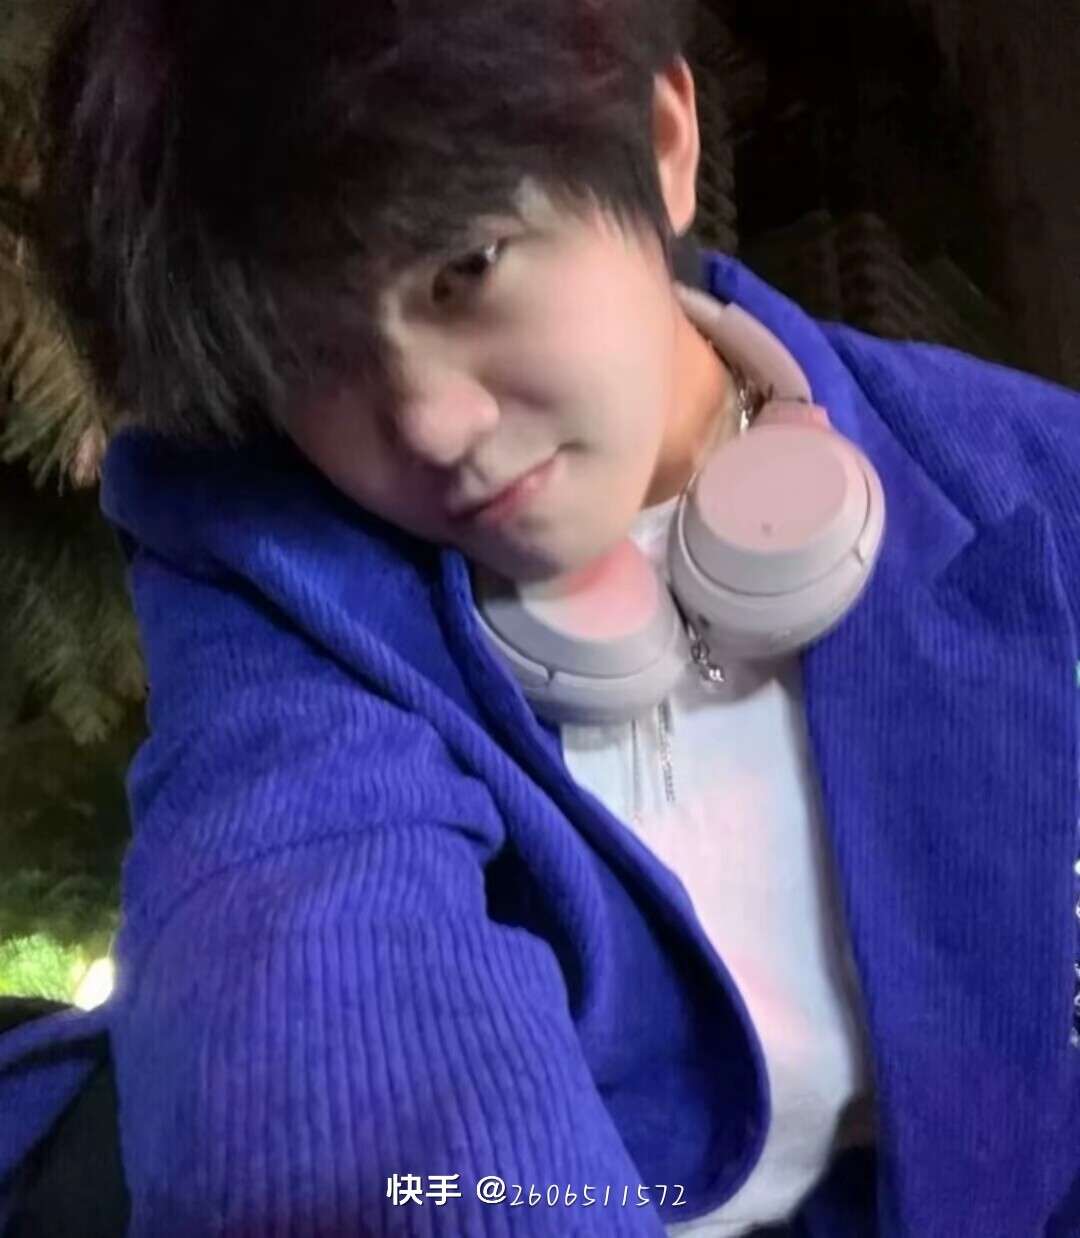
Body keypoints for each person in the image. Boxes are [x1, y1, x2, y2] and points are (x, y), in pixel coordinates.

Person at [1, 0, 1078, 1234]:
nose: (431, 423)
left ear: (662, 143)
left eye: (466, 268)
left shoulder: (1032, 478)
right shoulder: (274, 557)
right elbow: (316, 979)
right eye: (311, 357)